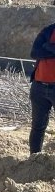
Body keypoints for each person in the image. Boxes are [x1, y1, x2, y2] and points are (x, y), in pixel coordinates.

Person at [29, 20, 55, 154]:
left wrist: (47, 47)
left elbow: (41, 50)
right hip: (39, 87)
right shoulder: (48, 30)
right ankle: (34, 160)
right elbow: (34, 52)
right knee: (38, 127)